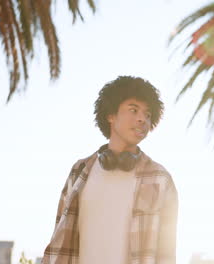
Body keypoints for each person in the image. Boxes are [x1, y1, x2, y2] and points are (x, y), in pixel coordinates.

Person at [42, 76, 178, 264]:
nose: (142, 119)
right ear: (111, 115)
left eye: (147, 115)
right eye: (133, 110)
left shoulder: (160, 179)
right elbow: (59, 237)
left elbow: (166, 254)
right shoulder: (79, 171)